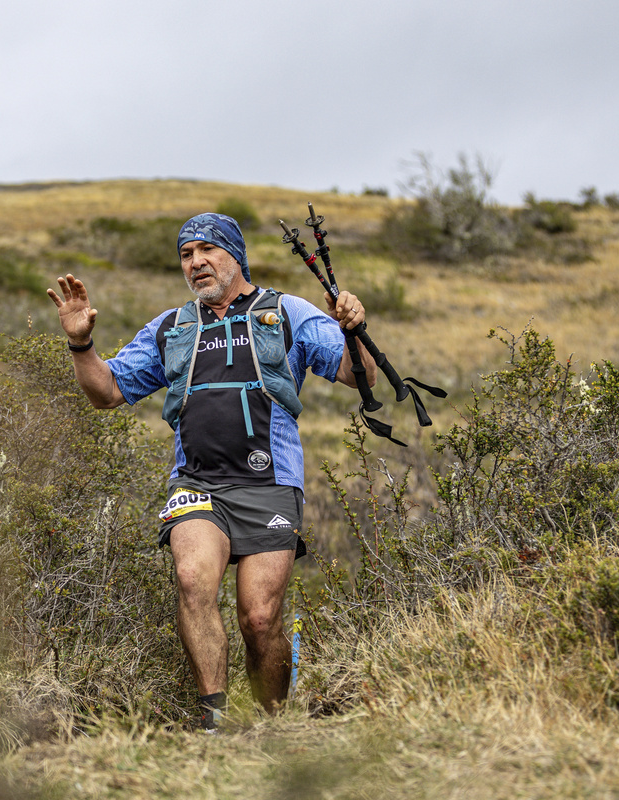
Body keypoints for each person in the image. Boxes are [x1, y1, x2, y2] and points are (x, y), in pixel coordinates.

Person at [46, 212, 376, 730]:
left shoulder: (287, 312)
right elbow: (106, 392)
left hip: (270, 484)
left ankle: (270, 726)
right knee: (192, 579)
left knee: (259, 618)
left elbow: (359, 376)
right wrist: (80, 344)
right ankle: (215, 725)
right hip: (197, 483)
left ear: (235, 255)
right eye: (186, 254)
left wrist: (354, 329)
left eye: (207, 250)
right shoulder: (172, 327)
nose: (196, 262)